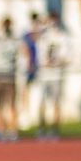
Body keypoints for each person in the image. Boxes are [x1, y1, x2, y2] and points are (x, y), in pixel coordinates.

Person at [33, 12, 69, 140]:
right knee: (42, 102)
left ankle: (55, 130)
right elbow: (39, 56)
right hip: (44, 75)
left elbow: (66, 58)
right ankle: (41, 128)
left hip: (56, 75)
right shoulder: (43, 38)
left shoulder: (63, 37)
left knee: (56, 103)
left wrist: (55, 62)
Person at [0, 17, 22, 141]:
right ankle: (3, 130)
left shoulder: (10, 39)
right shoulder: (8, 39)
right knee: (0, 105)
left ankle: (11, 130)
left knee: (8, 105)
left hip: (5, 74)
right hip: (3, 75)